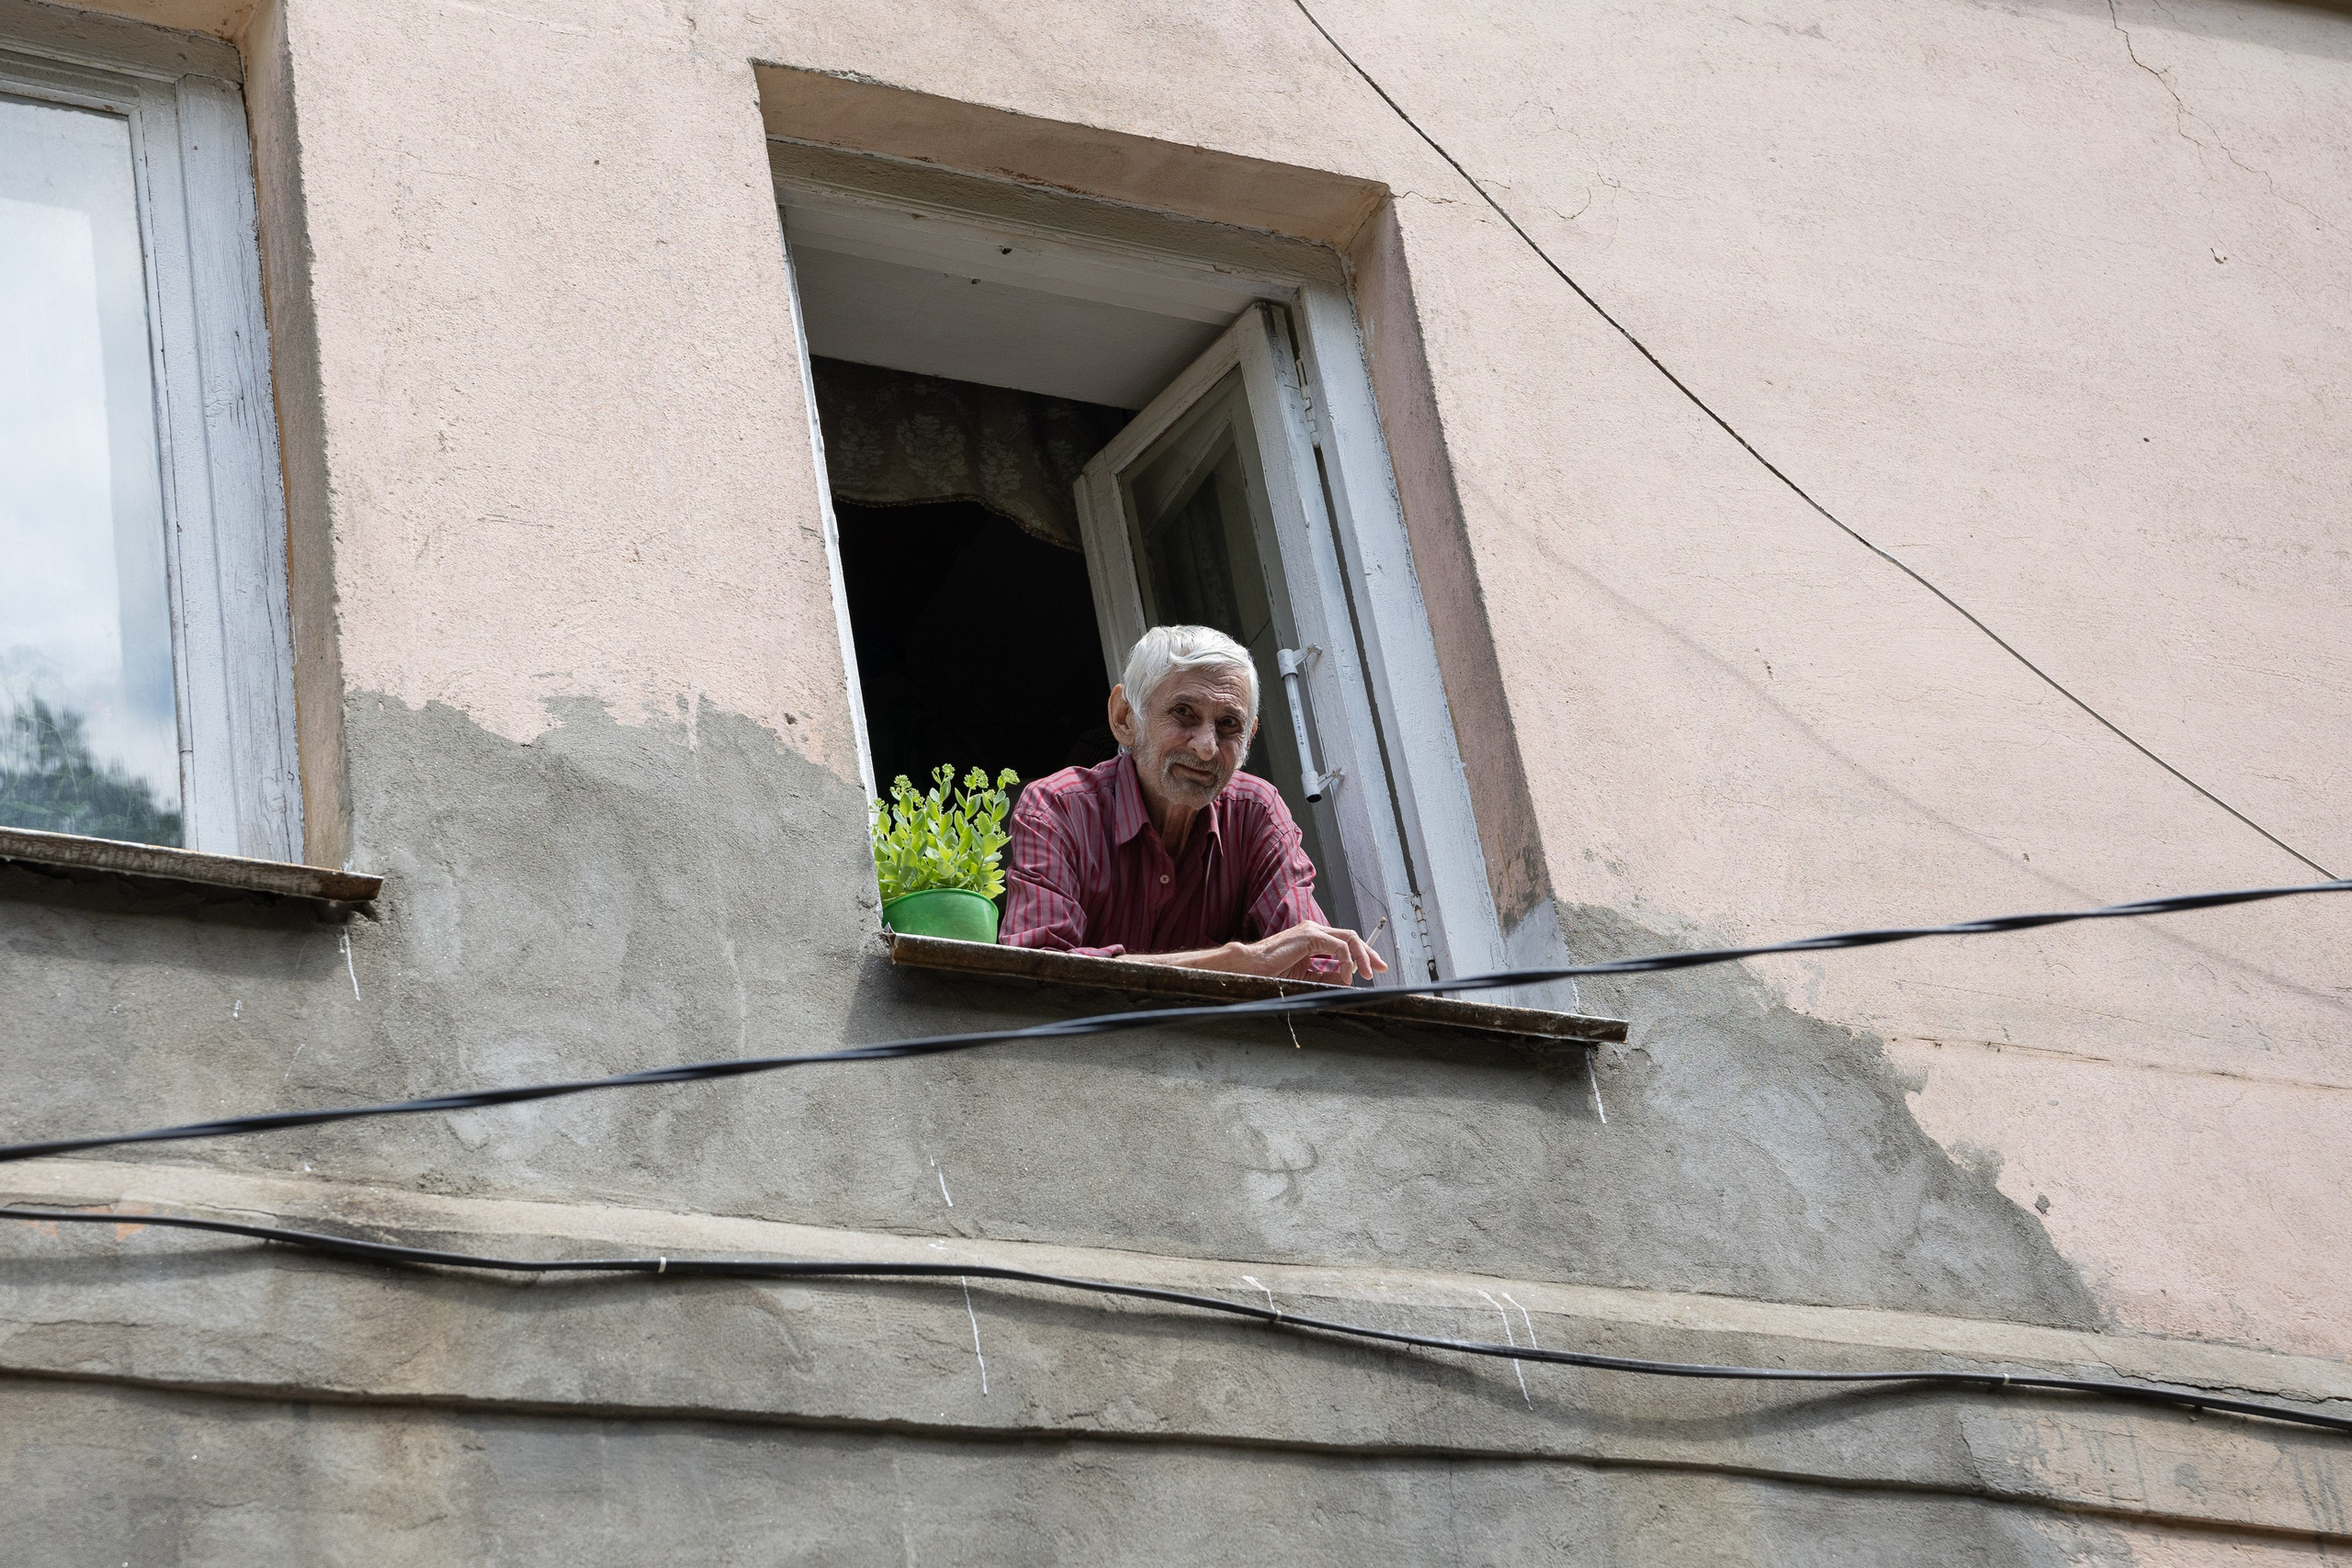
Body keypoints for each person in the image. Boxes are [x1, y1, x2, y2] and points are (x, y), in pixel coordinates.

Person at [1000, 625, 1387, 982]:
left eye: (1229, 724)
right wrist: (1238, 962)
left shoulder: (1256, 813)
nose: (1206, 748)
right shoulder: (1058, 809)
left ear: (1248, 739)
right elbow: (1034, 975)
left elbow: (1317, 969)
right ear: (1125, 718)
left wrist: (1306, 966)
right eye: (1183, 713)